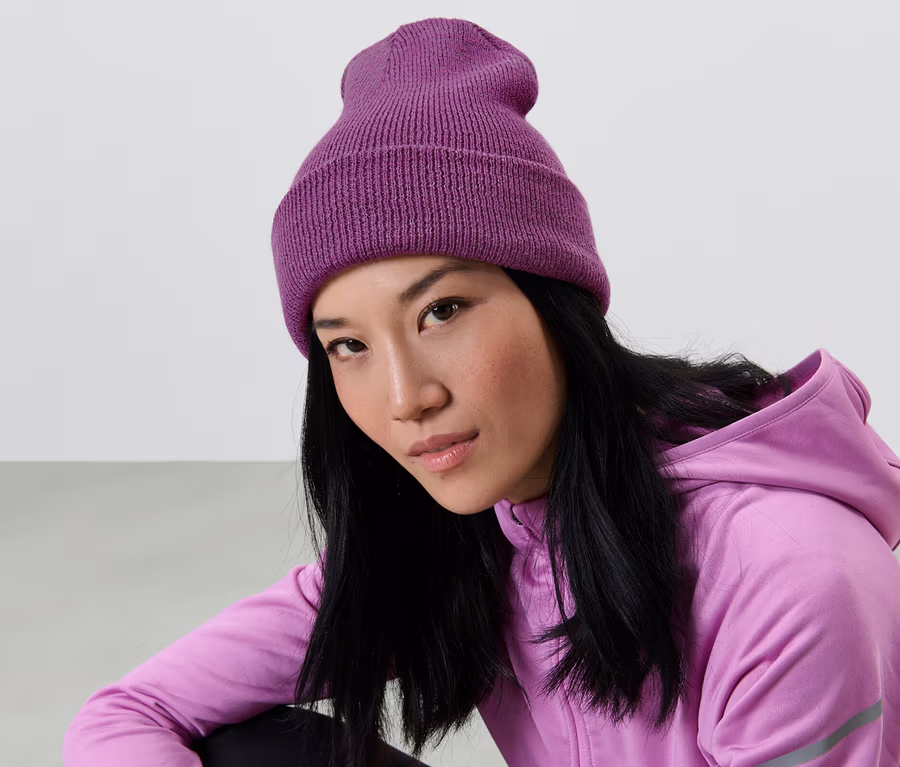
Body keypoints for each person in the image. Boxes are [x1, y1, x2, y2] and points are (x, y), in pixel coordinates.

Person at [63, 16, 900, 767]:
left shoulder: (786, 575)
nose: (406, 396)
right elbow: (128, 712)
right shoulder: (455, 533)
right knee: (244, 749)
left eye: (442, 311)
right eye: (349, 345)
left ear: (553, 300)